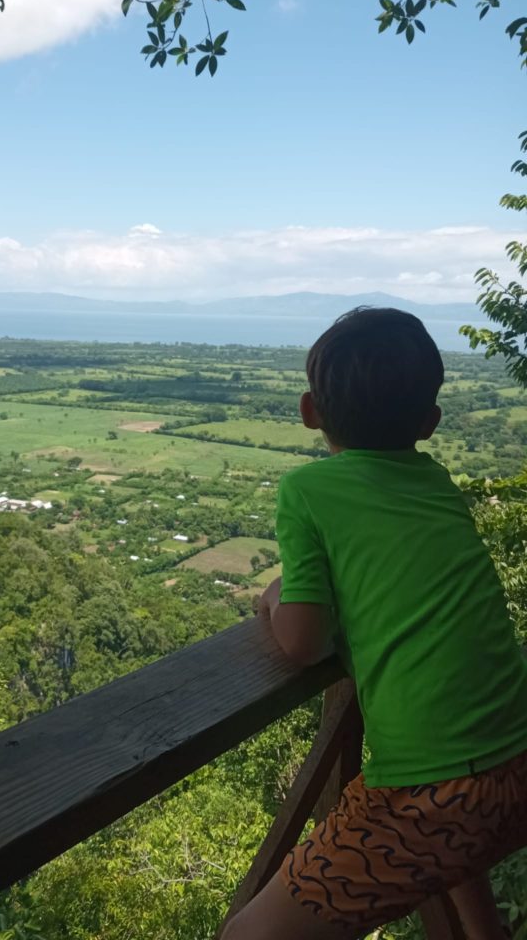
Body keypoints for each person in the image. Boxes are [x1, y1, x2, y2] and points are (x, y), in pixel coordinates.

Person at [223, 308, 527, 940]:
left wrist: (276, 595)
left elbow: (303, 643)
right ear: (430, 423)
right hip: (517, 762)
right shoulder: (436, 480)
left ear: (310, 411)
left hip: (430, 795)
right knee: (449, 847)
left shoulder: (308, 491)